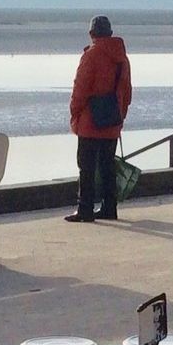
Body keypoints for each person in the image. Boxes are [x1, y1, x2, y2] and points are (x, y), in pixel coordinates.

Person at [67, 14, 132, 223]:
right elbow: (127, 91)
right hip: (112, 120)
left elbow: (80, 88)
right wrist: (120, 116)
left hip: (89, 121)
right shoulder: (122, 58)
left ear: (92, 33)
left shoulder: (91, 55)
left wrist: (74, 112)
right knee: (107, 166)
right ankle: (109, 207)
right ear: (110, 33)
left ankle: (85, 208)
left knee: (86, 166)